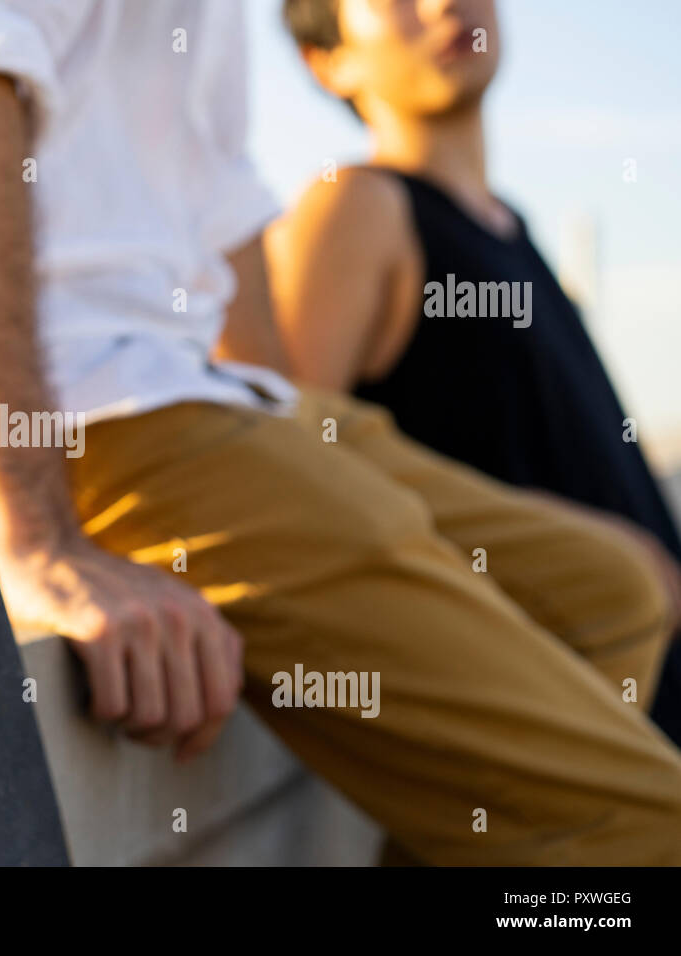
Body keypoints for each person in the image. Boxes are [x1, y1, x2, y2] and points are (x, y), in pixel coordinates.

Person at [0, 0, 681, 864]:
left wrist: (306, 448)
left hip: (210, 389)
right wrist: (26, 532)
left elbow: (220, 194)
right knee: (655, 825)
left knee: (610, 596)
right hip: (90, 410)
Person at [259, 0, 681, 746]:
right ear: (328, 61)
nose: (443, 5)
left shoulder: (511, 224)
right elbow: (287, 463)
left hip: (639, 699)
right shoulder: (356, 205)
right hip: (549, 726)